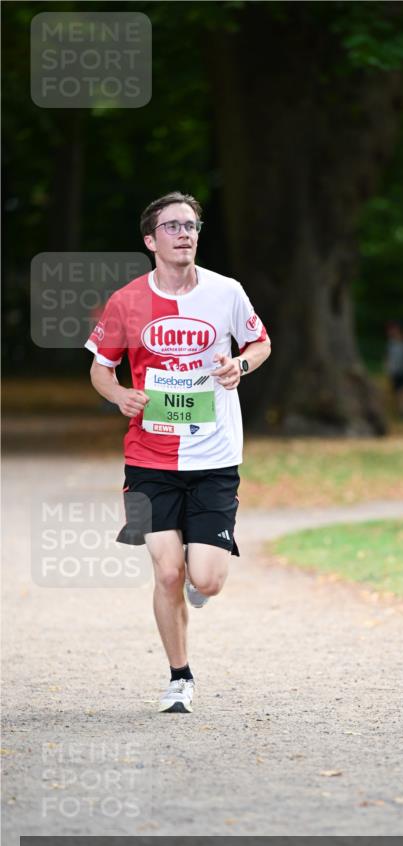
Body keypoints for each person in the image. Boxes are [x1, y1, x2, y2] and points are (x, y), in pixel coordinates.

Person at [86, 191, 271, 713]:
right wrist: (119, 394)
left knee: (204, 578)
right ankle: (179, 677)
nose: (185, 233)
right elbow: (101, 368)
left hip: (214, 457)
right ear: (151, 240)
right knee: (167, 572)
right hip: (149, 457)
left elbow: (260, 343)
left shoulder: (226, 292)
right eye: (172, 226)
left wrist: (241, 364)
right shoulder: (127, 302)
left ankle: (201, 578)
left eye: (191, 225)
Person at [385, 320, 403, 418]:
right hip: (394, 371)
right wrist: (388, 367)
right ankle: (401, 412)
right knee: (397, 392)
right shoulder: (391, 343)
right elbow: (388, 357)